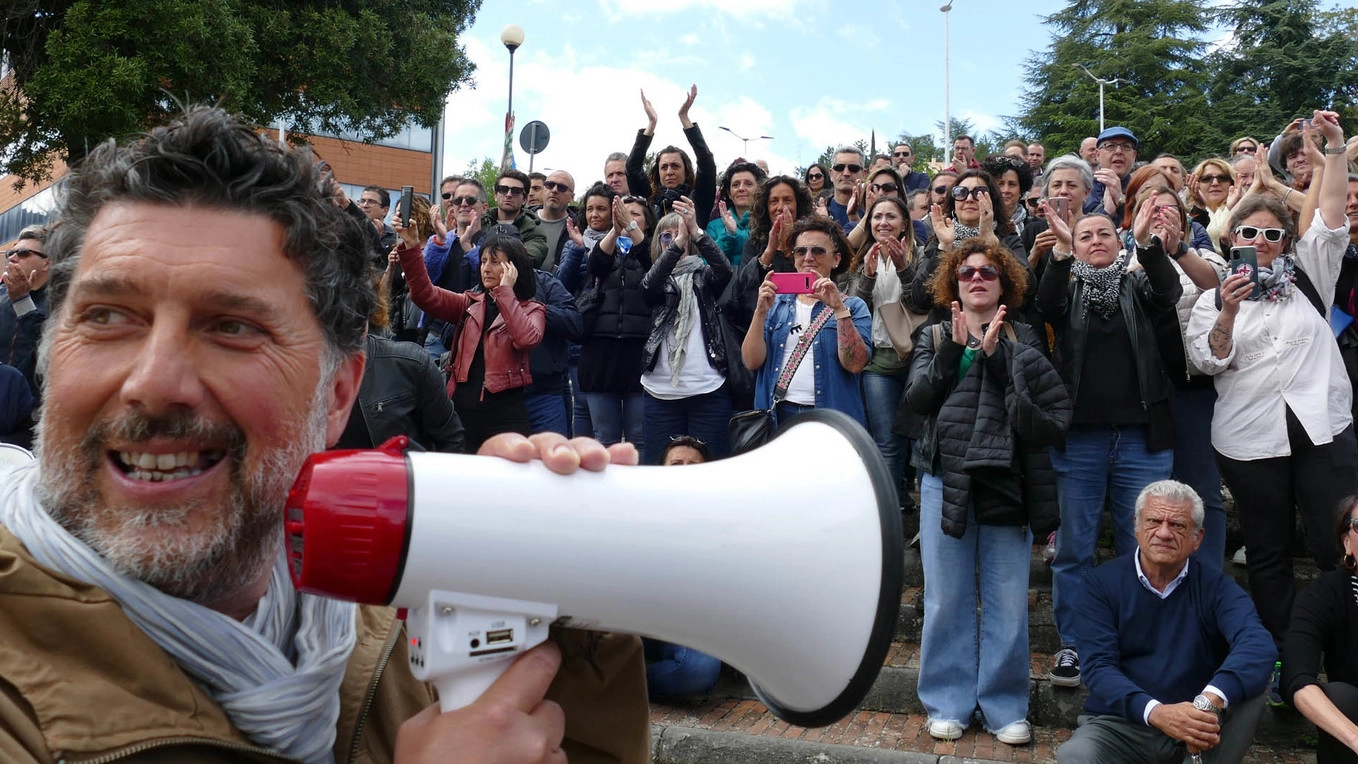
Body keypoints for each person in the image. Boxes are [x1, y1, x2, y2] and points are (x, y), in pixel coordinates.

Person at [0, 105, 649, 764]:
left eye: (232, 326)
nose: (154, 382)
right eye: (108, 316)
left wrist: (562, 606)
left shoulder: (401, 636)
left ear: (338, 394)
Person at [1185, 111, 1357, 677]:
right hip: (1250, 438)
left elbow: (1330, 219)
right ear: (1231, 238)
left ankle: (1345, 652)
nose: (1260, 242)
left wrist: (1334, 149)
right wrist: (1230, 311)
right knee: (1267, 552)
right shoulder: (1214, 297)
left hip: (1321, 427)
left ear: (1287, 241)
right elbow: (1208, 360)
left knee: (1338, 544)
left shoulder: (1311, 272)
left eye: (1272, 233)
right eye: (1249, 233)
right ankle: (1286, 662)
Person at [903, 238, 1069, 745]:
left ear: (1005, 285)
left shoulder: (1025, 338)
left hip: (1006, 481)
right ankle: (948, 701)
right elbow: (912, 406)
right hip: (943, 479)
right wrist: (952, 352)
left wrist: (998, 360)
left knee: (1005, 598)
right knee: (946, 597)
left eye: (988, 272)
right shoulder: (934, 335)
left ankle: (1003, 706)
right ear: (953, 283)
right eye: (967, 272)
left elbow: (1040, 415)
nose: (977, 278)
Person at [1038, 208, 1183, 688]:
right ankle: (1077, 646)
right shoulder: (1067, 284)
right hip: (1080, 440)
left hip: (1142, 437)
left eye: (1105, 233)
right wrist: (1059, 253)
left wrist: (1145, 244)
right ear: (1074, 245)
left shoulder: (1137, 281)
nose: (1096, 240)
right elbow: (1046, 303)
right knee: (1076, 549)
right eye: (1085, 235)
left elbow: (1169, 292)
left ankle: (1133, 642)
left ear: (1119, 242)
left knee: (1141, 544)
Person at [1055, 481, 1275, 764]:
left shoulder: (1217, 587)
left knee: (1250, 691)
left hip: (1198, 722)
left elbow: (1258, 645)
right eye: (1154, 521)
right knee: (1075, 755)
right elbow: (1099, 669)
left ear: (1198, 538)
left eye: (1178, 526)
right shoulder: (1100, 586)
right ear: (1136, 526)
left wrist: (1208, 701)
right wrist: (1157, 712)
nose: (1163, 533)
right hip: (1124, 725)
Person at [398, 230, 546, 452]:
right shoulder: (469, 303)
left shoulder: (532, 309)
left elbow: (526, 339)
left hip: (505, 417)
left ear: (513, 269)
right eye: (484, 260)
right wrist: (410, 248)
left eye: (495, 262)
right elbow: (423, 294)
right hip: (460, 412)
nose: (485, 268)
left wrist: (505, 292)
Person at [741, 218, 871, 428]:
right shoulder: (776, 304)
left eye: (818, 251)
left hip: (831, 418)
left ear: (836, 259)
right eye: (801, 251)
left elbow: (855, 364)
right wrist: (760, 312)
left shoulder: (854, 307)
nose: (808, 258)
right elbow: (751, 362)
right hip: (778, 414)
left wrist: (839, 310)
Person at [641, 202, 734, 463]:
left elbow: (724, 270)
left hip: (708, 389)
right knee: (659, 473)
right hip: (660, 393)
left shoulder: (705, 276)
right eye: (666, 237)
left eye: (679, 235)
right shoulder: (655, 278)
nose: (675, 241)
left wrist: (696, 232)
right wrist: (678, 243)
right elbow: (648, 288)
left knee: (711, 472)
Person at [641, 434, 725, 697]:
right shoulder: (638, 509)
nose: (685, 473)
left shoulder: (722, 517)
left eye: (694, 466)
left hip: (686, 627)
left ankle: (621, 685)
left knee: (700, 669)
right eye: (676, 465)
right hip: (634, 620)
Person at [1282, 496, 1358, 763]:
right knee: (1339, 697)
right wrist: (1355, 738)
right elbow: (1297, 678)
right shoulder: (1326, 594)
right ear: (1346, 542)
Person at [851, 196, 919, 490]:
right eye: (877, 217)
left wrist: (904, 266)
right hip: (878, 362)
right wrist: (866, 276)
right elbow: (856, 309)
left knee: (919, 439)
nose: (883, 223)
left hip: (918, 359)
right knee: (887, 442)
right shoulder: (862, 258)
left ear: (905, 223)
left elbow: (923, 300)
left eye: (891, 216)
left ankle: (917, 504)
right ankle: (890, 512)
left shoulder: (922, 254)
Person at [578, 191, 654, 449]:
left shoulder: (653, 248)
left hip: (639, 351)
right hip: (601, 353)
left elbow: (655, 267)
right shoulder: (605, 245)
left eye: (634, 214)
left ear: (647, 221)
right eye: (622, 212)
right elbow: (596, 265)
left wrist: (631, 229)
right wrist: (615, 228)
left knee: (639, 437)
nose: (626, 217)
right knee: (605, 437)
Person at [626, 86, 716, 228]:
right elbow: (632, 168)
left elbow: (707, 163)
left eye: (675, 166)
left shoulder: (698, 199)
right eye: (664, 167)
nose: (669, 172)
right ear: (658, 173)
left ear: (686, 171)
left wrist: (684, 118)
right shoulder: (649, 200)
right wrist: (651, 124)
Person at [1, 225, 49, 399]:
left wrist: (22, 301)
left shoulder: (62, 300)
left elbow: (47, 350)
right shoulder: (1, 295)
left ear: (47, 262)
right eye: (10, 253)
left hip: (30, 412)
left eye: (23, 253)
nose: (12, 258)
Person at [484, 170, 549, 269]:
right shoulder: (479, 223)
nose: (509, 194)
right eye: (503, 189)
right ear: (495, 195)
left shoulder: (534, 232)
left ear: (524, 199)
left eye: (516, 191)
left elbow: (525, 263)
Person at [706, 160, 766, 266]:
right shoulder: (714, 226)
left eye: (748, 184)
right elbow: (706, 262)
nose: (741, 189)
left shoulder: (766, 223)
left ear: (759, 190)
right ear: (729, 194)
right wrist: (729, 234)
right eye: (736, 185)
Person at [1085, 127, 1139, 215]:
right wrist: (1107, 212)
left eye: (1125, 146)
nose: (1118, 151)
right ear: (1098, 155)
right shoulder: (1085, 188)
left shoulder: (1143, 188)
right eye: (1110, 146)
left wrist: (1120, 199)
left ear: (1134, 156)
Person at [1187, 158, 1238, 252]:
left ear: (1232, 182)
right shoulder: (1187, 212)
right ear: (1196, 183)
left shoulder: (1243, 209)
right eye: (1206, 179)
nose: (1215, 183)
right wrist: (1199, 207)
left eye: (1222, 178)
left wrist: (1234, 208)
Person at [826, 146, 868, 235]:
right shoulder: (816, 211)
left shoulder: (873, 211)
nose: (846, 173)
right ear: (831, 174)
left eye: (853, 168)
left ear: (864, 174)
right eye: (839, 167)